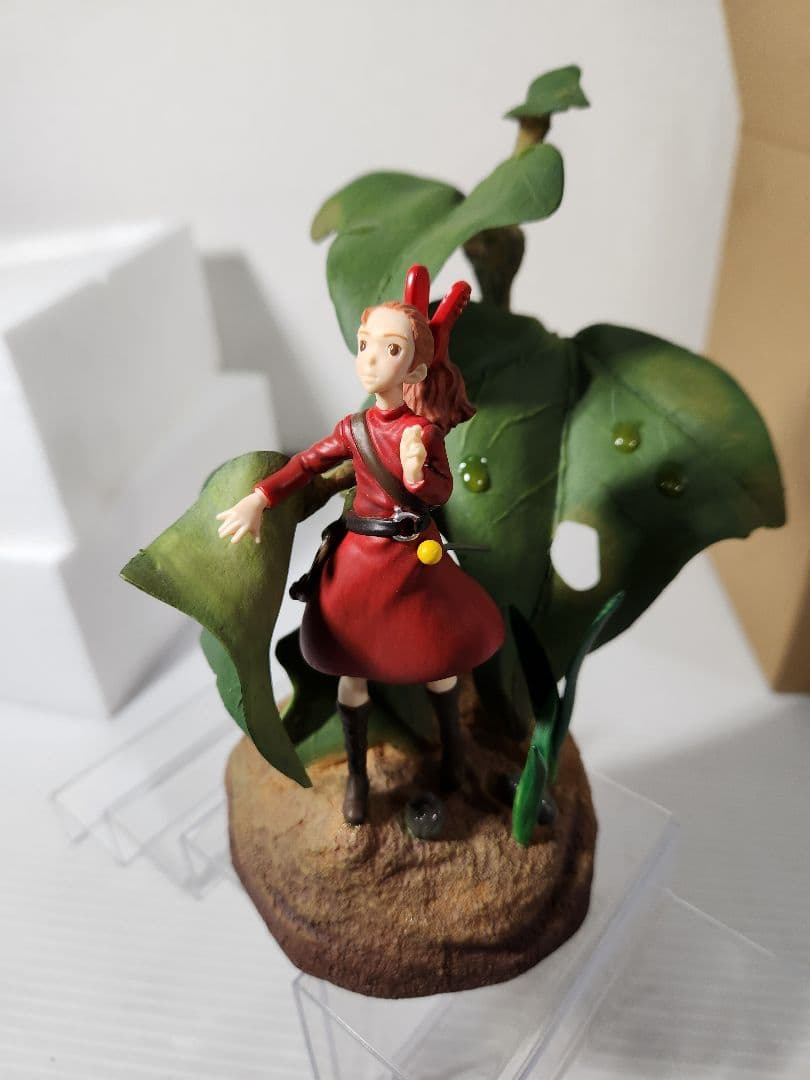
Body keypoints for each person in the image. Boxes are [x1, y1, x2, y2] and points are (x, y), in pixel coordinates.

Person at [216, 267, 504, 824]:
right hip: (360, 558)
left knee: (439, 659)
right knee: (352, 668)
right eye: (365, 344)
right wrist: (259, 498)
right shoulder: (354, 429)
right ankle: (356, 776)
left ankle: (454, 754)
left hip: (413, 558)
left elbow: (440, 491)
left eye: (390, 349)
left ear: (414, 369)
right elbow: (307, 463)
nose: (371, 359)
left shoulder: (423, 432)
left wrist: (418, 474)